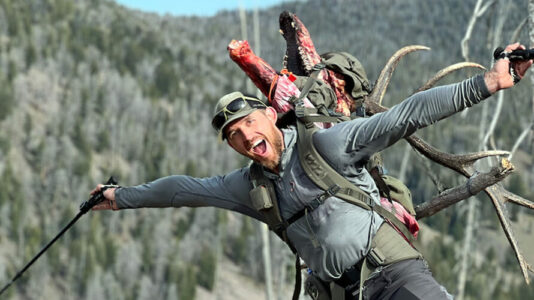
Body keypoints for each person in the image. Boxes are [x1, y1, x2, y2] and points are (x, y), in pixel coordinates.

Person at [91, 43, 532, 299]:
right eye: (234, 137)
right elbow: (182, 190)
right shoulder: (248, 186)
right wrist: (120, 196)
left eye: (248, 124)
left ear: (269, 115)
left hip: (395, 277)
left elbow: (405, 116)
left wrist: (488, 83)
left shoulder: (326, 143)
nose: (245, 137)